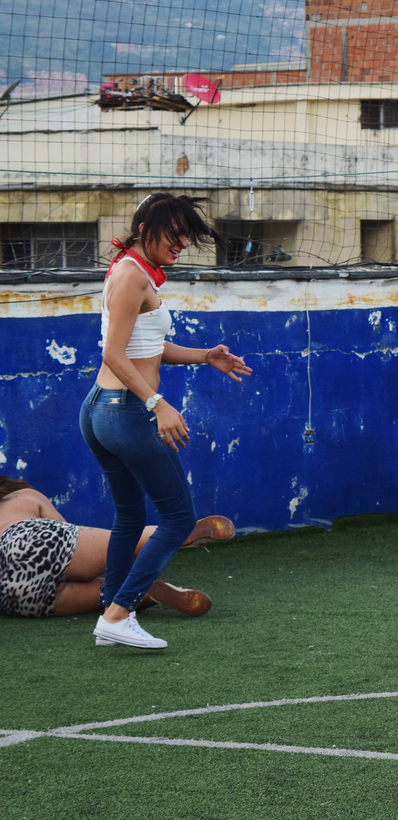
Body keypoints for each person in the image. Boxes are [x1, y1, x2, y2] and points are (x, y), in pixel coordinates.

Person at [79, 193, 252, 651]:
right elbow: (113, 354)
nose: (181, 243)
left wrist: (205, 356)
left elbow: (146, 349)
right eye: (174, 234)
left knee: (131, 516)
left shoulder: (130, 270)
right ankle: (119, 613)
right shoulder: (134, 277)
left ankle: (111, 613)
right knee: (178, 519)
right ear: (144, 228)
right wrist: (158, 403)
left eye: (186, 236)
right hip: (125, 413)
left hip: (101, 410)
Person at [0, 475, 232, 625]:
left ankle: (149, 594)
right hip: (27, 541)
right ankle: (182, 532)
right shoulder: (23, 495)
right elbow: (62, 531)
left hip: (12, 593)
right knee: (127, 542)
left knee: (110, 596)